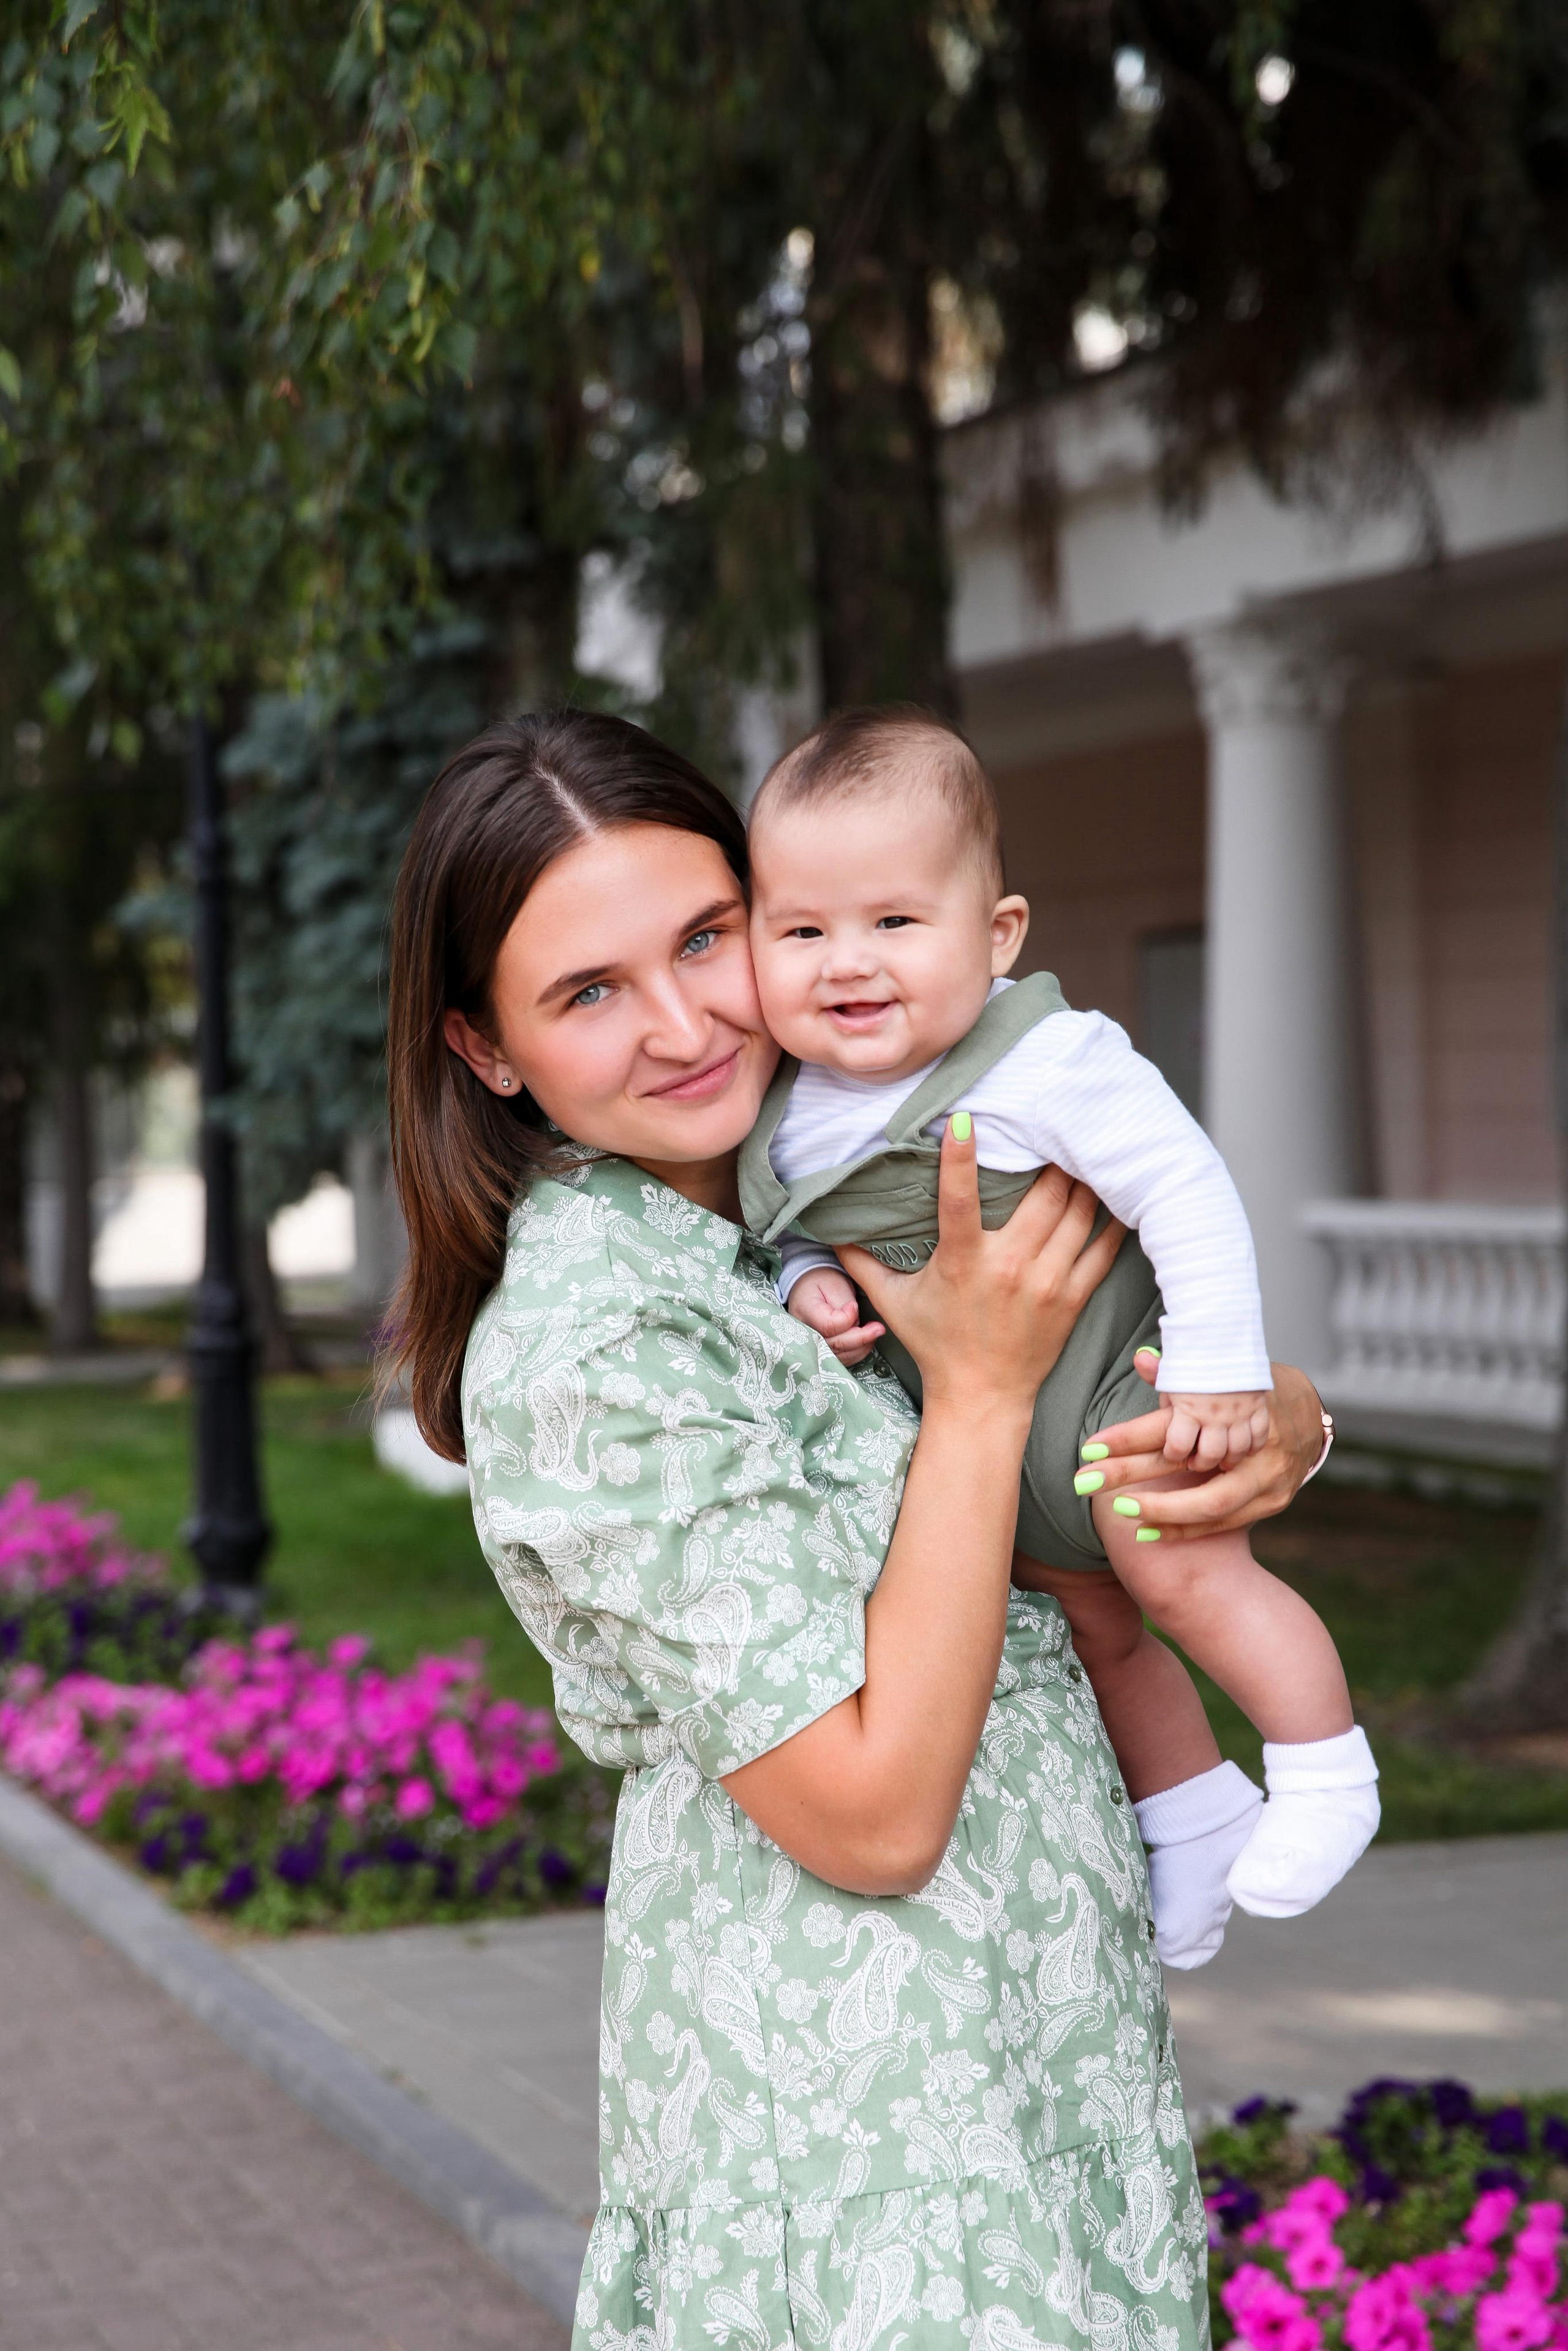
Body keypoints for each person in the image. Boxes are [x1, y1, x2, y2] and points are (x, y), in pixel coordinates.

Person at [385, 709, 1330, 2351]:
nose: (684, 1022)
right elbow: (873, 1817)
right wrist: (978, 1394)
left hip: (1033, 2043)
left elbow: (1074, 1398)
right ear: (485, 1047)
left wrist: (1281, 1419)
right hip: (862, 2116)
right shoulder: (604, 1341)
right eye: (589, 990)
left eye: (707, 936)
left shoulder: (815, 1171)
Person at [742, 706, 1376, 1964]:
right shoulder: (782, 1112)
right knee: (1094, 1628)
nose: (844, 961)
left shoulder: (1048, 1059)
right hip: (984, 1454)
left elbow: (1184, 1188)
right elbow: (789, 1233)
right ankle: (1192, 1819)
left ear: (996, 934)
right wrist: (807, 1283)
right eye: (800, 930)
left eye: (893, 922)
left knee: (1177, 1568)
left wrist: (1219, 1376)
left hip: (1106, 1396)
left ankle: (1324, 1767)